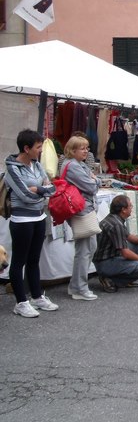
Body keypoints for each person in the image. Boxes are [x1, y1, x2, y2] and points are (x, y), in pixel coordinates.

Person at [5, 129, 57, 317]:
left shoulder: (37, 165)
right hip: (22, 220)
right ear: (26, 148)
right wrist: (41, 192)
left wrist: (39, 189)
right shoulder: (12, 168)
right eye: (38, 147)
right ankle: (21, 302)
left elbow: (53, 188)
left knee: (34, 259)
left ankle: (37, 296)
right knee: (19, 261)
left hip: (39, 217)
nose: (41, 150)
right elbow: (24, 195)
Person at [63, 135, 102, 300]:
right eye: (82, 148)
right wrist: (96, 181)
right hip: (81, 210)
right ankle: (79, 287)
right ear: (73, 150)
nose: (86, 151)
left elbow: (93, 183)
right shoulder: (73, 166)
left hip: (84, 209)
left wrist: (95, 181)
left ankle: (76, 285)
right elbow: (90, 186)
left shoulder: (78, 165)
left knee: (88, 247)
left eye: (87, 148)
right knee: (85, 249)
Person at [93, 194, 138, 292]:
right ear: (123, 209)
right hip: (104, 262)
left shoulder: (114, 218)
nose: (132, 208)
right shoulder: (116, 224)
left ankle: (122, 277)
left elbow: (128, 236)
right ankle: (112, 280)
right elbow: (125, 252)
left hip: (107, 257)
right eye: (130, 206)